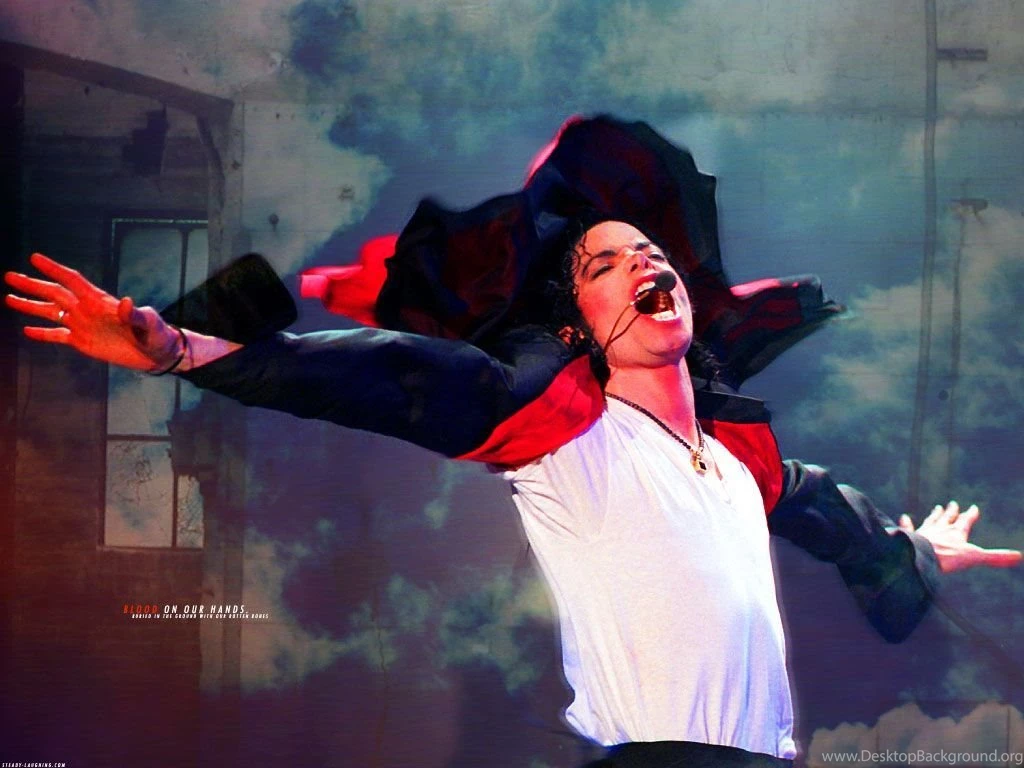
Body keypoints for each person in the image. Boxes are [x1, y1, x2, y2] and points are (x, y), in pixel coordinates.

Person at [7, 117, 1020, 767]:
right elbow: (391, 378)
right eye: (606, 265)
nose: (644, 266)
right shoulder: (567, 435)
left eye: (652, 254)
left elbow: (832, 516)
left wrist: (920, 552)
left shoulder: (736, 465)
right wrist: (181, 349)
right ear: (576, 325)